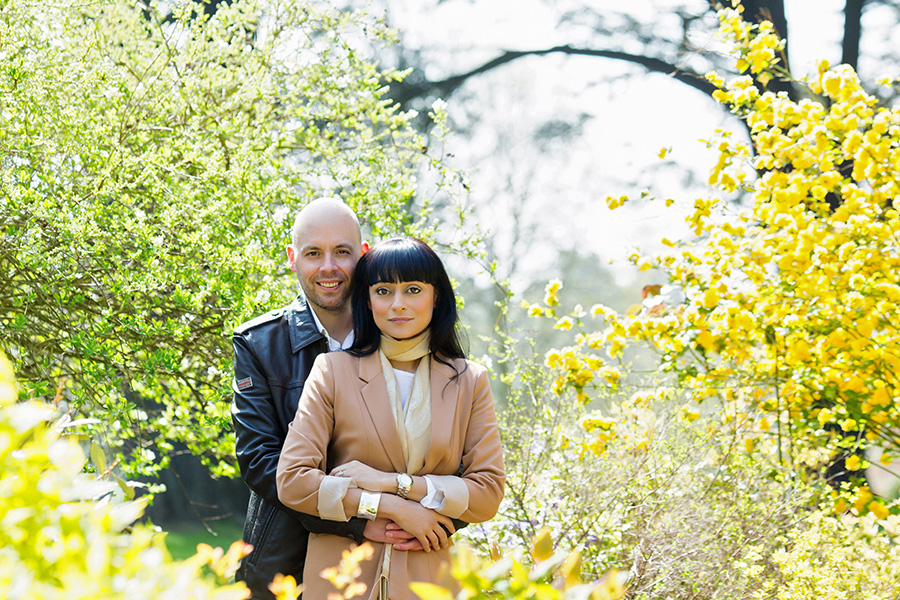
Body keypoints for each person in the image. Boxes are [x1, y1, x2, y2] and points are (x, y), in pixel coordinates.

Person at [276, 238, 505, 599]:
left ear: (436, 297)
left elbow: (488, 492)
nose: (398, 304)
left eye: (413, 290)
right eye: (384, 290)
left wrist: (392, 482)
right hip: (340, 578)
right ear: (367, 300)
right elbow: (292, 480)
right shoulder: (333, 370)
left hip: (428, 579)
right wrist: (387, 506)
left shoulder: (469, 380)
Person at [231, 199, 431, 599]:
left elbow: (452, 455)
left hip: (397, 561)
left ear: (364, 253)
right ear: (293, 259)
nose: (328, 267)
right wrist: (359, 520)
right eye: (312, 254)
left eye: (341, 251)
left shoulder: (407, 336)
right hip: (284, 566)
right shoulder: (259, 343)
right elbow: (260, 462)